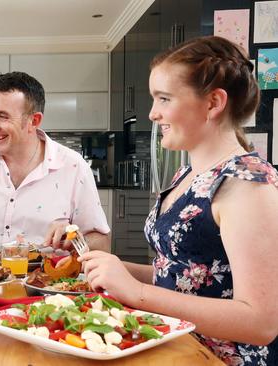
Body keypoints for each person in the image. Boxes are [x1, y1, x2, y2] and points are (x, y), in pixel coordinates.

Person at [80, 36, 278, 365]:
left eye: (164, 98)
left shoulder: (248, 186)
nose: (153, 114)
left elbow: (261, 322)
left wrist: (137, 294)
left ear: (213, 103)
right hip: (177, 348)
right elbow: (183, 275)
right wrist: (109, 270)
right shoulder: (186, 174)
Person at [0, 71, 110, 251]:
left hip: (47, 278)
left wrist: (75, 239)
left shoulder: (73, 166)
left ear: (34, 120)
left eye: (2, 116)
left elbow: (102, 243)